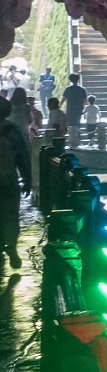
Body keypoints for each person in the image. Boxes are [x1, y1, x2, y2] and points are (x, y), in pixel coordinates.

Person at [0, 106, 29, 268]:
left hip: (9, 183)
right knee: (11, 218)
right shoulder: (12, 131)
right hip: (9, 182)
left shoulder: (12, 131)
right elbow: (23, 157)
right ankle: (10, 247)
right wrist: (27, 178)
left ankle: (8, 247)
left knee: (9, 218)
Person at [61, 74, 87, 140]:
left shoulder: (68, 89)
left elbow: (64, 99)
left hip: (70, 108)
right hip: (78, 109)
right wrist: (83, 106)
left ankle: (71, 137)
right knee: (77, 123)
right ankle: (77, 137)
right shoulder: (82, 89)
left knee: (70, 123)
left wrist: (59, 106)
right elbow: (85, 100)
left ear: (70, 80)